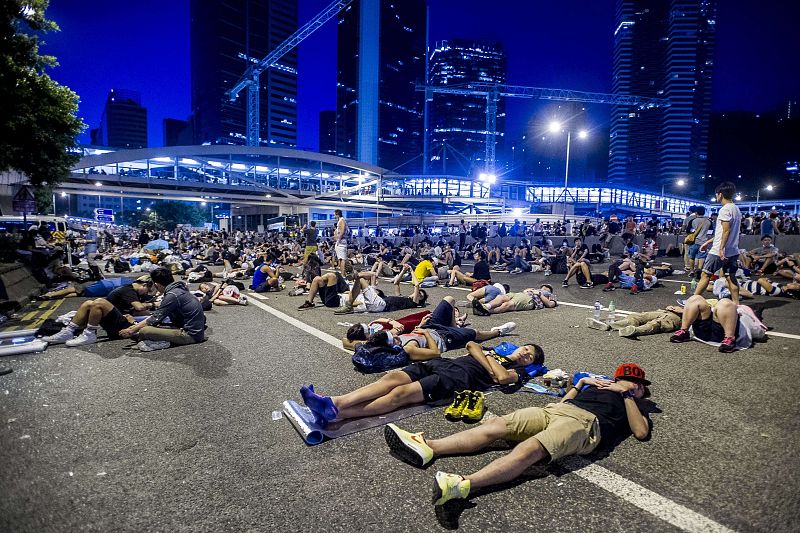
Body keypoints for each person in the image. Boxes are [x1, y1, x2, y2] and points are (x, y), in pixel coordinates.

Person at [383, 362, 651, 506]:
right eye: (628, 382)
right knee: (496, 426)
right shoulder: (599, 385)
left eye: (636, 385)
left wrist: (626, 395)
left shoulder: (634, 404)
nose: (633, 386)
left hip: (584, 424)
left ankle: (463, 485)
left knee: (529, 450)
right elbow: (562, 403)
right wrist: (580, 385)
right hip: (556, 410)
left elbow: (640, 433)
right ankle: (428, 446)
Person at [298, 341, 544, 427]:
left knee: (400, 395)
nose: (525, 354)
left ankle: (336, 412)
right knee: (391, 378)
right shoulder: (495, 354)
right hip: (443, 364)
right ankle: (336, 402)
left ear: (530, 363)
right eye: (526, 348)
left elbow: (502, 378)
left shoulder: (518, 372)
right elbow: (472, 346)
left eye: (530, 356)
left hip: (456, 380)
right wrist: (490, 359)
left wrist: (489, 361)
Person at [42, 276, 156, 346]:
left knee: (95, 302)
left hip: (123, 324)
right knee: (92, 303)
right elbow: (139, 307)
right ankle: (70, 332)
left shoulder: (128, 289)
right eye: (148, 291)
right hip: (122, 323)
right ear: (144, 285)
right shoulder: (129, 291)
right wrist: (153, 304)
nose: (146, 294)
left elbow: (139, 311)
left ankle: (85, 333)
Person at [119, 268, 206, 351]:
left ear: (156, 284)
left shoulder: (172, 295)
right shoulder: (180, 289)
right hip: (193, 330)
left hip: (190, 335)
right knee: (150, 327)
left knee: (144, 331)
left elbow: (154, 318)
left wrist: (132, 330)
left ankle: (162, 342)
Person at [693, 182, 742, 304]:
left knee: (705, 275)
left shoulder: (724, 210)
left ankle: (692, 301)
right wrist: (708, 242)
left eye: (716, 195)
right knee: (731, 277)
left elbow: (726, 231)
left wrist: (720, 249)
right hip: (733, 251)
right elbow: (722, 233)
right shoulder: (736, 209)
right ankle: (737, 304)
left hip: (719, 251)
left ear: (720, 195)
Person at [669, 295, 754, 352]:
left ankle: (730, 339)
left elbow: (756, 328)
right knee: (695, 298)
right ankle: (684, 331)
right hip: (702, 330)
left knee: (725, 303)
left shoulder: (740, 308)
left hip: (722, 331)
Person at [586, 306, 682, 338]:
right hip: (667, 311)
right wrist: (671, 307)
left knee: (657, 323)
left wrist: (683, 311)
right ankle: (610, 325)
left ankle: (635, 330)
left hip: (680, 317)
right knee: (638, 316)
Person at [473, 285, 557, 315]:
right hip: (520, 294)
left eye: (546, 288)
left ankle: (485, 311)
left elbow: (550, 304)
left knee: (508, 305)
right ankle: (485, 306)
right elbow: (524, 290)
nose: (544, 288)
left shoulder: (550, 295)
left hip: (531, 299)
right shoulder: (535, 289)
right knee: (501, 298)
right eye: (543, 287)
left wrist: (540, 294)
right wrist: (529, 290)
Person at [334, 209, 350, 277]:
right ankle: (342, 274)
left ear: (337, 214)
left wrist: (339, 238)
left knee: (342, 259)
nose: (334, 216)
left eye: (334, 214)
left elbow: (343, 230)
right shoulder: (340, 221)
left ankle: (343, 275)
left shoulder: (342, 220)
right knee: (341, 259)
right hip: (340, 241)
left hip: (341, 241)